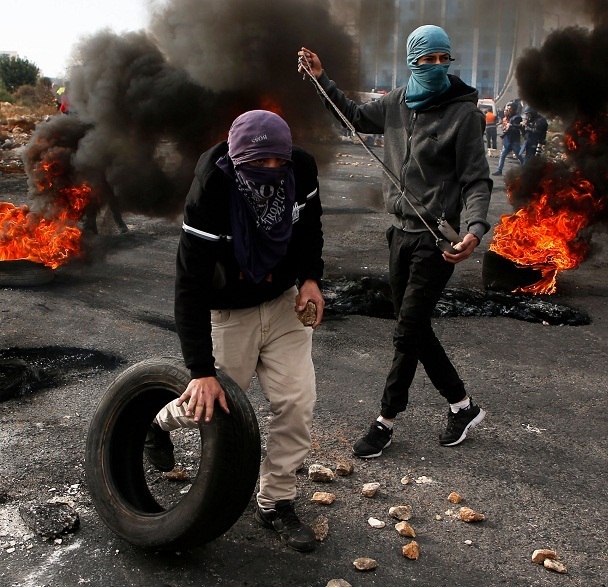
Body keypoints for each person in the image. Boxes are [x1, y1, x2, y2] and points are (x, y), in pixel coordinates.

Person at [299, 24, 491, 459]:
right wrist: (320, 78)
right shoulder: (396, 103)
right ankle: (462, 406)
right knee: (414, 327)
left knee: (407, 332)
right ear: (412, 61)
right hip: (400, 235)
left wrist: (475, 229)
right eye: (428, 59)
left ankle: (385, 422)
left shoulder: (464, 116)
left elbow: (477, 180)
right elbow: (352, 114)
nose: (437, 66)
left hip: (436, 242)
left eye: (444, 59)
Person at [143, 109, 325, 552]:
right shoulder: (213, 187)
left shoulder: (300, 168)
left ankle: (276, 503)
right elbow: (189, 286)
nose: (270, 170)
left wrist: (310, 279)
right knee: (212, 406)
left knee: (297, 403)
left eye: (277, 161)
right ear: (238, 158)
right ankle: (156, 423)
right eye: (258, 163)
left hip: (282, 302)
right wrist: (201, 371)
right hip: (228, 311)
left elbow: (310, 230)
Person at [493, 100, 523, 176]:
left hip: (514, 140)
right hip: (507, 140)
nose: (508, 110)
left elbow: (516, 127)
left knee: (519, 156)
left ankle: (526, 168)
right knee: (502, 156)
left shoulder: (517, 117)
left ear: (514, 109)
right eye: (508, 108)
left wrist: (510, 126)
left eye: (510, 109)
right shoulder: (508, 117)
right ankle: (499, 170)